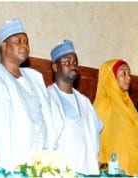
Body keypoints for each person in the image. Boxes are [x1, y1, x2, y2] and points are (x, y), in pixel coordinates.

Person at [0, 18, 62, 171]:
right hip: (3, 167)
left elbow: (47, 122)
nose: (24, 45)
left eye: (26, 41)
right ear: (4, 46)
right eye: (18, 41)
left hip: (33, 167)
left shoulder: (34, 79)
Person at [47, 39, 103, 175]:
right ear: (55, 67)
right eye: (66, 62)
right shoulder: (47, 98)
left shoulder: (84, 102)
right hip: (60, 172)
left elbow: (96, 133)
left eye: (75, 62)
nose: (72, 65)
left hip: (88, 171)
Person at [93, 59, 138, 176]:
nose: (129, 77)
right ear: (111, 77)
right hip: (115, 170)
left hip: (133, 168)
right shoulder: (104, 104)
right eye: (123, 73)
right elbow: (97, 139)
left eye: (129, 73)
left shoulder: (128, 104)